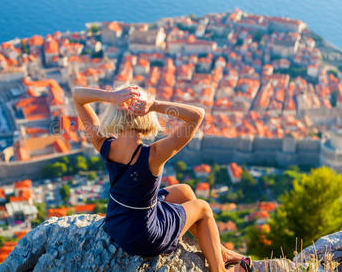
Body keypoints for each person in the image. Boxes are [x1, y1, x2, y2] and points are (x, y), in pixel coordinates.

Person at [73, 84, 253, 272]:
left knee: (184, 191)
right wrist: (154, 104)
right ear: (146, 116)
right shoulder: (154, 154)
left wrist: (111, 96)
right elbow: (197, 115)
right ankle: (220, 270)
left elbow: (77, 95)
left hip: (117, 224)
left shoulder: (104, 144)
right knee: (203, 208)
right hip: (145, 237)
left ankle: (220, 252)